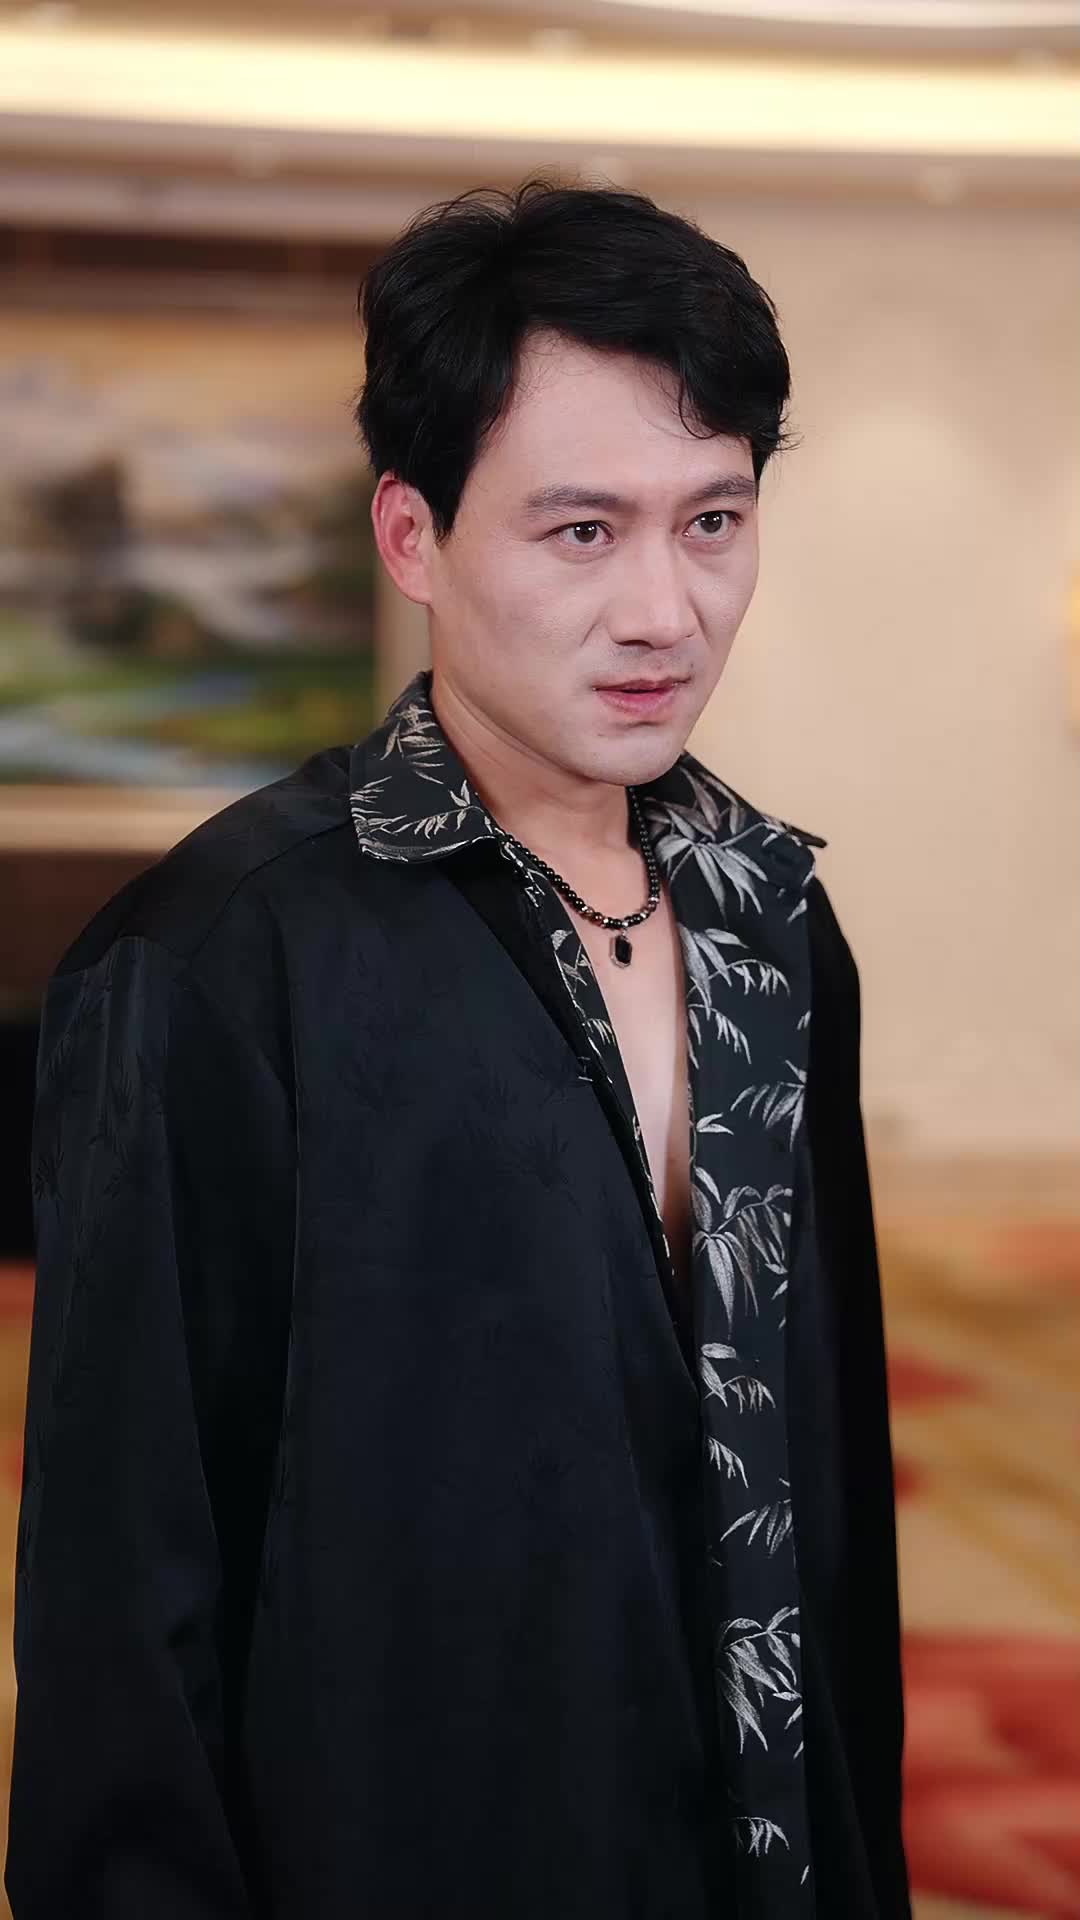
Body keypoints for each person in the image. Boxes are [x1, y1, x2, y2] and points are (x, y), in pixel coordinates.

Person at [6, 178, 911, 1919]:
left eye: (713, 523)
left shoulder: (776, 927)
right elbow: (124, 1617)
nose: (665, 610)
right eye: (582, 532)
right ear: (411, 537)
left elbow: (830, 1513)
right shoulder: (215, 964)